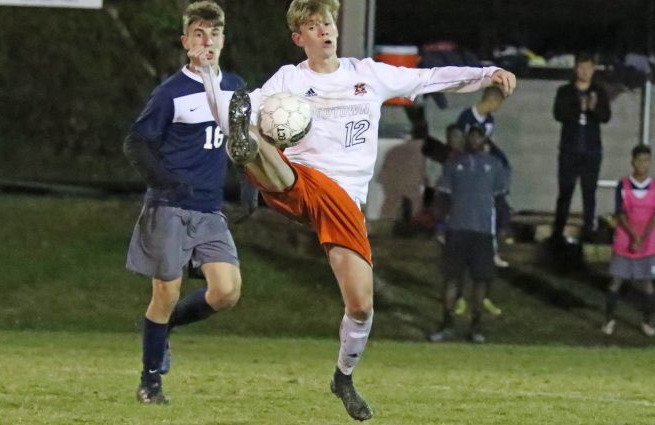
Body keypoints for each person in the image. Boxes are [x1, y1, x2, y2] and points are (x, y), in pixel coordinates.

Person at [196, 0, 516, 420]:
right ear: (300, 38)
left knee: (361, 305)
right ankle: (249, 149)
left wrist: (485, 73)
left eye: (327, 22)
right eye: (313, 26)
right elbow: (225, 112)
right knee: (252, 134)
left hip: (345, 202)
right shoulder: (288, 79)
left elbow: (430, 78)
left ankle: (343, 377)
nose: (325, 30)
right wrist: (208, 74)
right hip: (301, 180)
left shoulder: (367, 74)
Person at [122, 1, 255, 405]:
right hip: (169, 207)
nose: (207, 41)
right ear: (186, 42)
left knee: (227, 292)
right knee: (165, 293)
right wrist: (166, 183)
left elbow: (244, 144)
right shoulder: (171, 92)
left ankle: (167, 328)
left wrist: (251, 189)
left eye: (214, 34)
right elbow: (136, 142)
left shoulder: (236, 87)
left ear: (223, 40)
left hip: (209, 210)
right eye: (198, 33)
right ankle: (150, 383)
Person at [427, 124, 509, 344]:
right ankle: (447, 323)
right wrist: (440, 226)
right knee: (452, 278)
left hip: (482, 231)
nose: (474, 139)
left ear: (486, 140)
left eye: (479, 136)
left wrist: (503, 227)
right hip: (457, 228)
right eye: (471, 135)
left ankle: (476, 326)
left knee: (481, 280)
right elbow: (443, 197)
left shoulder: (495, 165)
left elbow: (500, 200)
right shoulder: (454, 164)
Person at [551, 53, 612, 242]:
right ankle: (558, 232)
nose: (585, 71)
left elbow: (606, 117)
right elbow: (559, 114)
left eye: (588, 67)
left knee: (589, 192)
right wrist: (580, 107)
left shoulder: (599, 91)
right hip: (569, 149)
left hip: (591, 151)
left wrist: (593, 108)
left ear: (593, 69)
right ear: (575, 68)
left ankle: (589, 231)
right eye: (581, 67)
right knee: (565, 192)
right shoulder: (565, 91)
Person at [601, 144, 655, 337]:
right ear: (633, 162)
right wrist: (633, 236)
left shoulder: (654, 186)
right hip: (626, 239)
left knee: (647, 283)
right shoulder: (623, 185)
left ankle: (647, 322)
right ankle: (609, 320)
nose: (643, 164)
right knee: (616, 281)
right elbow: (620, 212)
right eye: (640, 160)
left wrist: (643, 237)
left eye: (647, 160)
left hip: (647, 242)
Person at [457, 86, 511, 270]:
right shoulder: (466, 118)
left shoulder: (489, 120)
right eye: (498, 103)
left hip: (483, 173)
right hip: (469, 173)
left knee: (491, 214)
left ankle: (491, 252)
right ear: (491, 100)